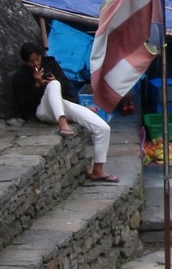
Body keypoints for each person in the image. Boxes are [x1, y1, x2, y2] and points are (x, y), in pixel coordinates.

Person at [10, 41, 116, 183]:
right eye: (31, 61)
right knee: (54, 85)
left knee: (103, 128)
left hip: (61, 103)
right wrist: (36, 85)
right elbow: (24, 104)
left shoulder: (50, 64)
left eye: (38, 59)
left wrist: (55, 80)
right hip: (42, 110)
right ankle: (62, 123)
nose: (36, 63)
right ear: (25, 61)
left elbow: (68, 85)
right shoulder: (20, 77)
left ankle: (98, 170)